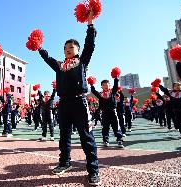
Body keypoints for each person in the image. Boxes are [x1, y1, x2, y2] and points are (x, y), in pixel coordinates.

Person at [37, 10, 100, 185]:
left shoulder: (82, 61)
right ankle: (64, 162)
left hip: (80, 102)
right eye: (65, 49)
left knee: (86, 137)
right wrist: (40, 49)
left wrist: (90, 24)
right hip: (64, 104)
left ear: (78, 50)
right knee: (64, 135)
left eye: (71, 48)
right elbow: (48, 59)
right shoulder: (59, 65)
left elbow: (90, 45)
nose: (67, 50)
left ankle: (93, 170)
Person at [91, 79, 124, 148]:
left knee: (116, 126)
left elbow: (115, 86)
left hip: (113, 112)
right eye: (103, 85)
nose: (105, 86)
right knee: (105, 127)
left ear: (109, 86)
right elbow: (93, 91)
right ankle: (105, 141)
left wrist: (116, 78)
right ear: (101, 87)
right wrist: (91, 84)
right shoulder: (100, 95)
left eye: (107, 84)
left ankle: (119, 140)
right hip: (104, 113)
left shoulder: (112, 92)